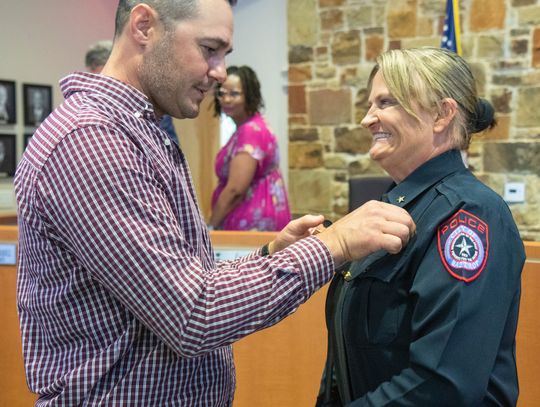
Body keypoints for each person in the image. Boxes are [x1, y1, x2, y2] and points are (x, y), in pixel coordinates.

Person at [14, 1, 415, 405]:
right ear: (143, 26)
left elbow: (185, 277)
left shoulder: (139, 132)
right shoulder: (92, 143)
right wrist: (335, 245)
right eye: (209, 49)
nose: (220, 71)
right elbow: (193, 315)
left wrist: (270, 255)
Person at [316, 47, 525, 406]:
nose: (368, 119)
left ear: (442, 114)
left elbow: (443, 385)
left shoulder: (467, 216)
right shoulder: (388, 208)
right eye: (370, 105)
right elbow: (346, 361)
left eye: (386, 103)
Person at [209, 65, 290, 231]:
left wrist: (210, 226)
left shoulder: (249, 131)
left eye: (234, 94)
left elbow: (235, 190)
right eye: (222, 93)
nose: (226, 99)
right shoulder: (253, 126)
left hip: (252, 223)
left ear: (250, 95)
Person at [85, 39, 180, 143]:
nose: (102, 84)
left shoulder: (149, 101)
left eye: (106, 76)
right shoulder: (89, 106)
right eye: (96, 77)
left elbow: (170, 146)